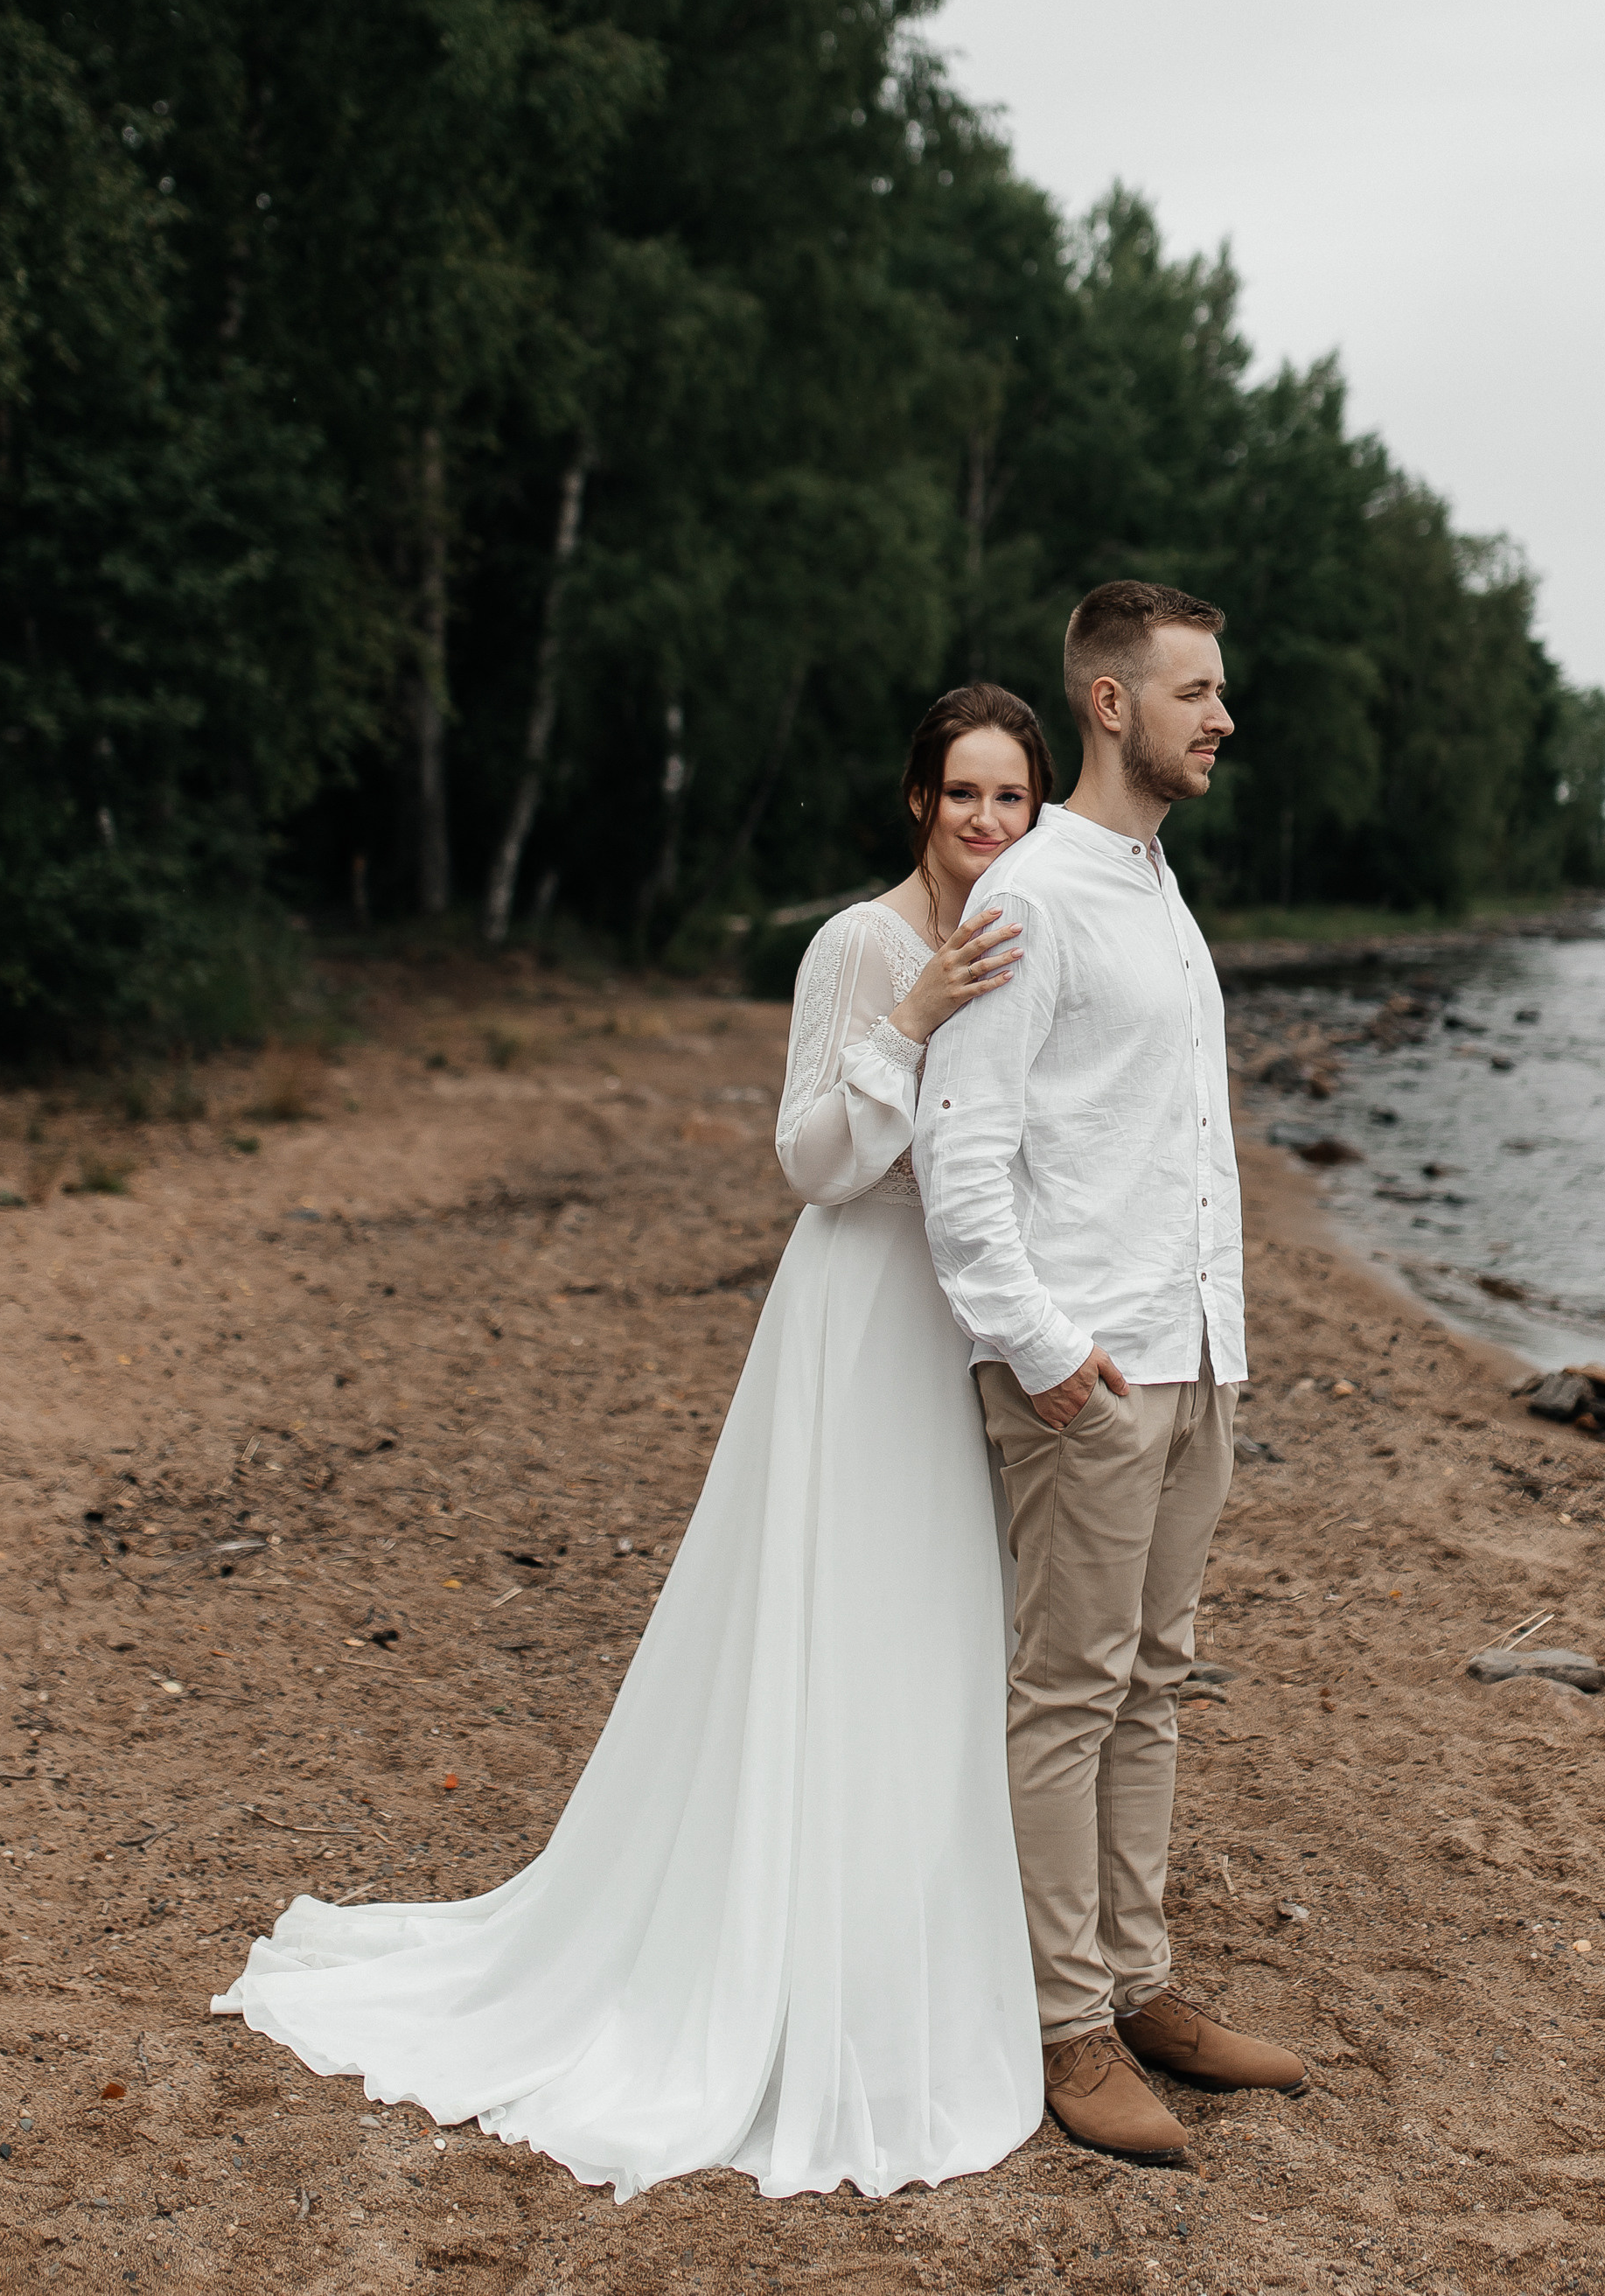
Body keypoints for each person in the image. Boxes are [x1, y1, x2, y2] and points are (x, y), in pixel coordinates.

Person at [210, 681, 1055, 2202]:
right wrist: (913, 1018)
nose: (987, 823)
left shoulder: (1028, 936)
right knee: (831, 1624)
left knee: (932, 1637)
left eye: (1013, 798)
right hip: (855, 1316)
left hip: (959, 1321)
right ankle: (767, 1975)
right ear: (916, 801)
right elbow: (808, 1162)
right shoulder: (858, 947)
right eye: (963, 794)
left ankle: (896, 1962)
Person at [914, 582, 1309, 2169]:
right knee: (1068, 1697)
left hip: (1191, 1352)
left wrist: (1214, 1340)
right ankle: (1065, 2027)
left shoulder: (1154, 885)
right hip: (1089, 1375)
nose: (1221, 717)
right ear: (1108, 704)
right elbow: (965, 1152)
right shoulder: (1036, 894)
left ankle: (1140, 1987)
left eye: (1218, 692)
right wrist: (1047, 1350)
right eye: (1195, 691)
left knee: (1155, 1682)